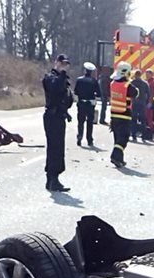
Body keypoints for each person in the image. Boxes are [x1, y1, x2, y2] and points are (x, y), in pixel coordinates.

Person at [42, 53, 74, 192]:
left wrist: (66, 110)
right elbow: (55, 89)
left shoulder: (63, 79)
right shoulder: (50, 77)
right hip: (52, 116)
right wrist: (62, 75)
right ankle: (52, 179)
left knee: (58, 148)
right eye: (62, 63)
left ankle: (53, 179)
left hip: (59, 116)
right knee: (54, 148)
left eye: (66, 64)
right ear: (56, 62)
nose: (64, 66)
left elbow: (65, 97)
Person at [108, 62, 138, 168]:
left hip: (114, 115)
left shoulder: (112, 83)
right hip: (124, 115)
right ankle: (114, 156)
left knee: (117, 138)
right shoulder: (127, 85)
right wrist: (131, 82)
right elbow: (135, 93)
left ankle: (119, 159)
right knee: (124, 138)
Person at [74, 62, 100, 147]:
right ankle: (89, 140)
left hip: (81, 103)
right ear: (91, 72)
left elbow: (75, 92)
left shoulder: (79, 80)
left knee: (80, 121)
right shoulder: (94, 81)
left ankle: (79, 137)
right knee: (90, 122)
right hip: (90, 104)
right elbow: (99, 94)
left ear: (85, 70)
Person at [129, 70, 151, 142]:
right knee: (142, 120)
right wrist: (146, 102)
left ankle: (133, 135)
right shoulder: (145, 83)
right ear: (141, 75)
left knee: (134, 119)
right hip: (142, 104)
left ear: (135, 75)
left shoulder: (132, 83)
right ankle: (143, 136)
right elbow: (148, 94)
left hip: (134, 103)